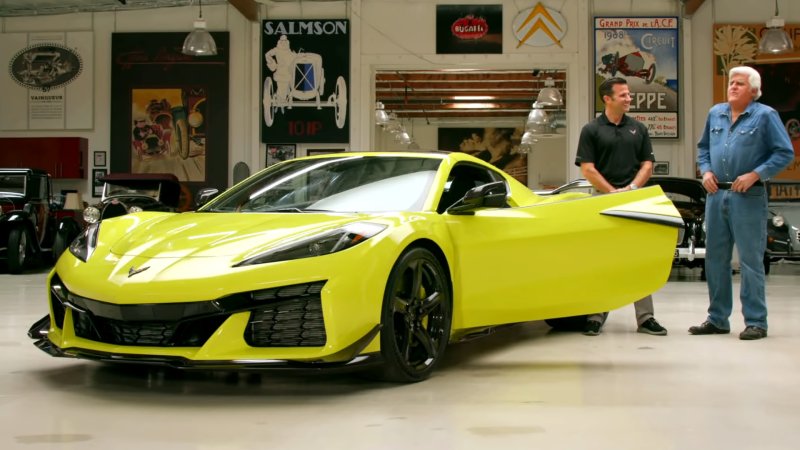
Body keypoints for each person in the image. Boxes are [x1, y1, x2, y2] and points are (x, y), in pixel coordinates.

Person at [691, 66, 794, 341]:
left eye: (739, 84)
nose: (733, 87)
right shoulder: (716, 113)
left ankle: (756, 322)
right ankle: (717, 319)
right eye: (731, 83)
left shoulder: (765, 116)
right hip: (716, 196)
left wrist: (756, 174)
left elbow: (785, 153)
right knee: (714, 260)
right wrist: (706, 172)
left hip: (748, 197)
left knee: (750, 261)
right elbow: (703, 149)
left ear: (754, 91)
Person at [574, 76, 667, 337]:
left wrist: (631, 190)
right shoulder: (591, 130)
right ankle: (595, 315)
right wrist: (613, 193)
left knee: (639, 259)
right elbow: (588, 169)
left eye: (629, 94)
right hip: (601, 201)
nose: (629, 98)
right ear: (608, 99)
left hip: (634, 200)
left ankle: (646, 318)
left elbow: (647, 165)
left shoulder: (638, 128)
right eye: (624, 95)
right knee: (600, 259)